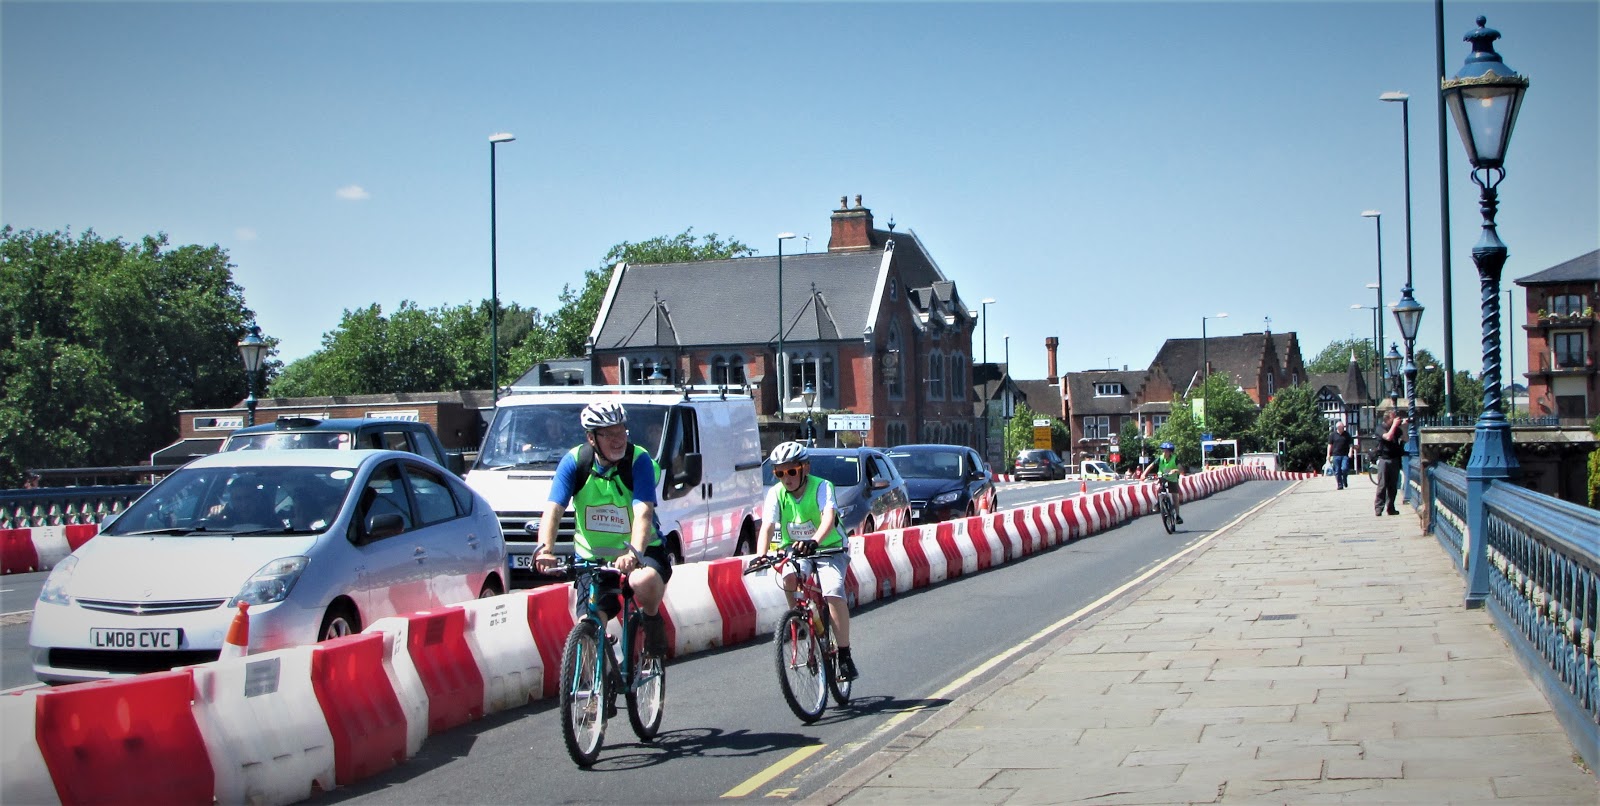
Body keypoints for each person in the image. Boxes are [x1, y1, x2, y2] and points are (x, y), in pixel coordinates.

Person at [534, 401, 672, 655]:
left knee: (643, 580)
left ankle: (652, 618)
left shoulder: (638, 460)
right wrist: (545, 550)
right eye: (609, 435)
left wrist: (634, 553)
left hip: (641, 552)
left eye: (621, 432)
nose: (618, 440)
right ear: (592, 438)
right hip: (593, 559)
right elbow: (553, 509)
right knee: (588, 622)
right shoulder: (575, 462)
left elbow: (643, 513)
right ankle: (596, 673)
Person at [756, 441, 859, 681]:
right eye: (780, 473)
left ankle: (844, 655)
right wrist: (761, 555)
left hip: (830, 548)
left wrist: (814, 540)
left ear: (805, 468)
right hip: (797, 550)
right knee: (788, 576)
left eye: (792, 471)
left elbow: (828, 518)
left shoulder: (822, 487)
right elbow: (767, 527)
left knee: (833, 591)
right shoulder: (776, 494)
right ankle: (799, 620)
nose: (786, 478)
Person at [1138, 441, 1183, 525]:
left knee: (1174, 495)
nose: (1164, 452)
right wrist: (1144, 474)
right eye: (1163, 451)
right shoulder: (1160, 458)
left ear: (1170, 452)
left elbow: (1181, 469)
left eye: (1166, 451)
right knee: (1158, 487)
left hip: (1172, 478)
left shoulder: (1175, 459)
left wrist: (1175, 470)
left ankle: (1177, 516)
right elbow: (1151, 466)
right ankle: (1159, 503)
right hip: (1162, 476)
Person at [1373, 410, 1406, 517]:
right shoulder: (1380, 428)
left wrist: (1403, 425)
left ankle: (1391, 508)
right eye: (1393, 418)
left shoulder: (1396, 429)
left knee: (1393, 486)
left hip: (1395, 459)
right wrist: (1395, 425)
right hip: (1384, 459)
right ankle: (1379, 508)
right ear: (1387, 419)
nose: (1395, 419)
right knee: (1382, 485)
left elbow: (1404, 438)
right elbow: (1388, 437)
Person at [1326, 421, 1356, 489]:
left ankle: (1344, 479)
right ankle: (1340, 485)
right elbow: (1329, 445)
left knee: (1344, 468)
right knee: (1337, 471)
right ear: (1337, 428)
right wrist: (1328, 454)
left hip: (1345, 455)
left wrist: (1350, 452)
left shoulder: (1347, 434)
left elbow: (1351, 444)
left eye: (1342, 427)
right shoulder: (1333, 435)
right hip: (1336, 455)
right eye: (1340, 427)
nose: (1342, 429)